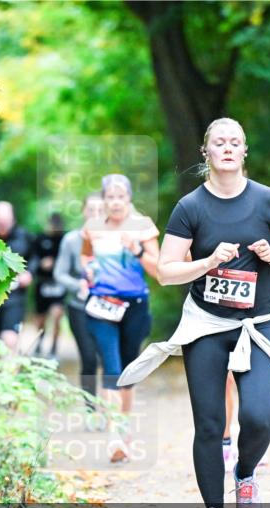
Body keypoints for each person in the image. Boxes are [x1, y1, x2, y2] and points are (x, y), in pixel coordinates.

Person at [117, 117, 270, 508]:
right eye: (219, 142)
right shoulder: (190, 208)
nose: (228, 148)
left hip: (257, 324)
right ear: (206, 152)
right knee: (209, 424)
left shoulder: (269, 200)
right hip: (207, 325)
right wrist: (207, 262)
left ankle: (246, 472)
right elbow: (165, 272)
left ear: (244, 150)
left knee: (258, 418)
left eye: (236, 141)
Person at [82, 174, 160, 463]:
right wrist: (86, 274)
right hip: (101, 305)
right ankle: (115, 434)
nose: (115, 202)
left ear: (129, 199)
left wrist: (137, 250)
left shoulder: (143, 227)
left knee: (128, 372)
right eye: (110, 197)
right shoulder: (92, 227)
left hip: (135, 306)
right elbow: (86, 257)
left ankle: (123, 427)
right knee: (111, 368)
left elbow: (158, 270)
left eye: (120, 197)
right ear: (103, 200)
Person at [54, 194, 105, 410]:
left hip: (108, 308)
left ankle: (113, 406)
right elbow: (60, 273)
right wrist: (78, 286)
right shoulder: (71, 240)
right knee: (89, 357)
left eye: (99, 210)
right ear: (84, 211)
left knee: (108, 358)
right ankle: (90, 407)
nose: (95, 214)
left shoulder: (115, 239)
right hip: (79, 307)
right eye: (91, 209)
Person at [0, 201, 33, 353]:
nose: (3, 227)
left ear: (13, 220)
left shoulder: (24, 237)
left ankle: (9, 373)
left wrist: (29, 273)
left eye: (6, 223)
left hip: (14, 296)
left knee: (10, 339)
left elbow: (34, 258)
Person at [32, 213, 67, 359]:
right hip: (42, 283)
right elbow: (33, 258)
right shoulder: (40, 238)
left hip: (59, 284)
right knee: (41, 318)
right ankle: (40, 342)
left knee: (57, 314)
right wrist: (41, 264)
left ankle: (54, 348)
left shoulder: (65, 240)